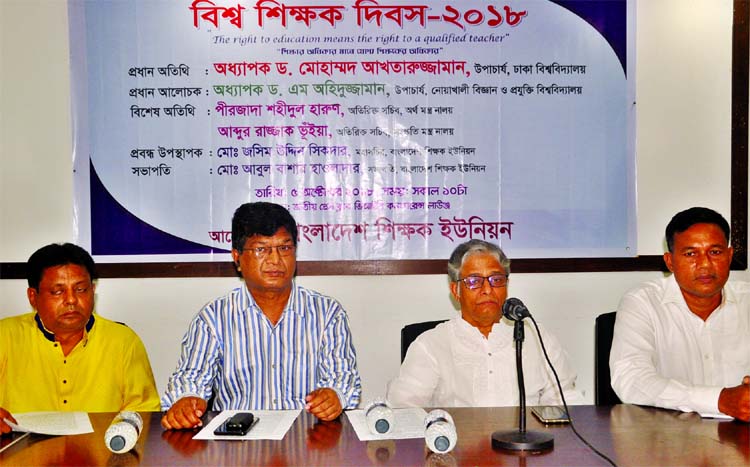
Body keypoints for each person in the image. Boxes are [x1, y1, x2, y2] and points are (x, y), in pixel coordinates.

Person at [161, 202, 361, 429]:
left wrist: (334, 396)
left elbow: (344, 378)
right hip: (238, 447)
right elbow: (190, 378)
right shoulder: (213, 319)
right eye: (261, 249)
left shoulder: (327, 314)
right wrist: (187, 401)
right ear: (237, 257)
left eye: (284, 248)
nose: (275, 260)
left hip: (309, 441)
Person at [387, 239, 582, 407]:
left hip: (526, 448)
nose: (487, 289)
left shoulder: (537, 338)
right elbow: (403, 407)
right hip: (457, 448)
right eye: (474, 281)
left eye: (496, 279)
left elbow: (566, 402)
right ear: (456, 290)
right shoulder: (431, 345)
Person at [0, 243, 160, 434]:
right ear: (33, 297)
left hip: (100, 457)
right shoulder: (6, 336)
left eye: (81, 289)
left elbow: (145, 412)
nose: (71, 300)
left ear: (93, 291)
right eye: (58, 292)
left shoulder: (123, 341)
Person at [610, 207, 750, 421]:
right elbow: (631, 379)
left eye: (715, 252)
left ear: (729, 256)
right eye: (690, 254)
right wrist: (719, 400)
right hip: (669, 440)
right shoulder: (643, 303)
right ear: (670, 262)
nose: (704, 264)